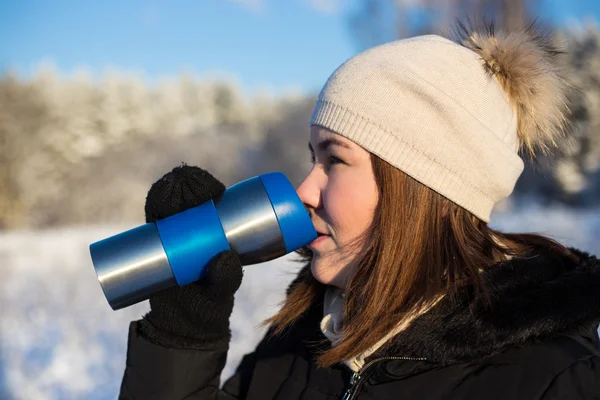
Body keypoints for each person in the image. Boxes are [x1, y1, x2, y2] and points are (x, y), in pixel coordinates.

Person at [119, 21, 600, 399]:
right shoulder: (304, 339)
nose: (305, 189)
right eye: (313, 158)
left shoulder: (551, 379)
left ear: (420, 185)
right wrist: (184, 332)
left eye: (335, 159)